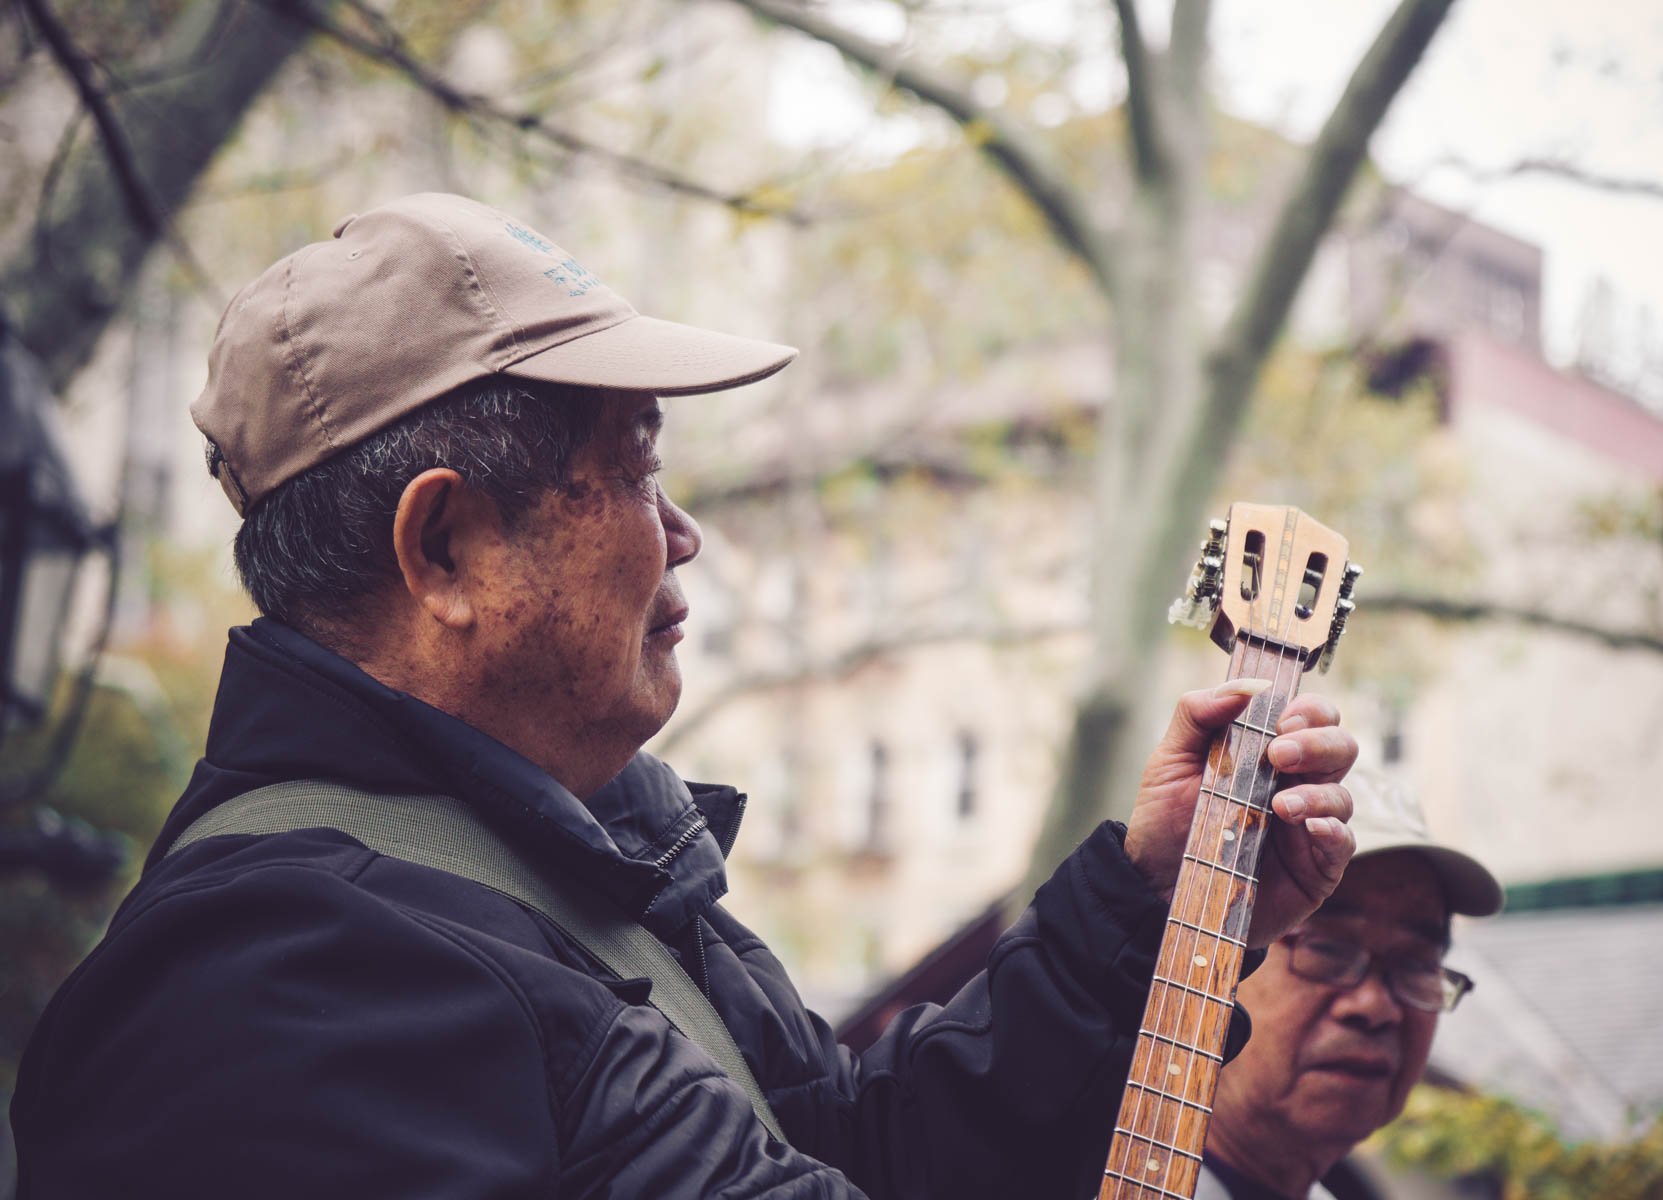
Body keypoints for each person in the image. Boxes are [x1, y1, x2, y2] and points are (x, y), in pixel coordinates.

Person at [9, 193, 1359, 1198]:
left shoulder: (595, 875)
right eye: (638, 472)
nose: (685, 532)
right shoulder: (285, 981)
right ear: (448, 552)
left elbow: (863, 1153)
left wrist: (1145, 901)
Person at [1196, 765, 1505, 1200]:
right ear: (1209, 961)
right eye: (1328, 949)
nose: (1375, 1006)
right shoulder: (1105, 1178)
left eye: (1416, 964)